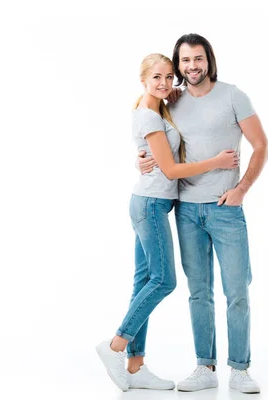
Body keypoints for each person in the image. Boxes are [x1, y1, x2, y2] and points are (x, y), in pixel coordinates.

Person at [96, 53, 240, 392]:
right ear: (143, 79)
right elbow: (172, 170)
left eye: (168, 77)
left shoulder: (159, 107)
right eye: (157, 77)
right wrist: (216, 161)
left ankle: (135, 365)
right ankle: (116, 345)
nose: (164, 83)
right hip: (151, 204)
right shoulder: (148, 116)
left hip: (151, 202)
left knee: (143, 280)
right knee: (163, 280)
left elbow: (160, 159)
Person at [138, 34, 268, 393]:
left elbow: (261, 145)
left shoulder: (232, 95)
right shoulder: (173, 101)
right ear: (178, 65)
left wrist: (241, 189)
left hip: (226, 210)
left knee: (237, 289)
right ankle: (204, 366)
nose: (191, 66)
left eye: (197, 59)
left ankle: (240, 369)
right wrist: (141, 158)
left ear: (208, 60)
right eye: (184, 61)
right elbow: (151, 136)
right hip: (186, 210)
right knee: (199, 292)